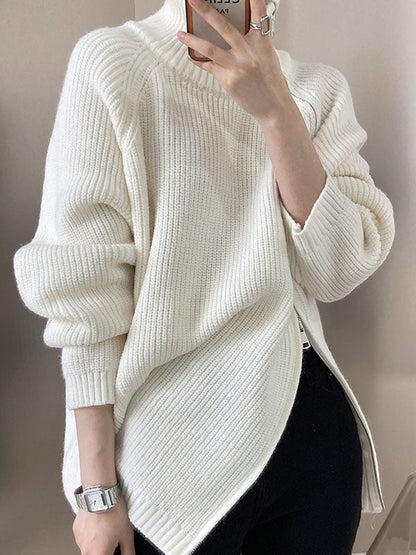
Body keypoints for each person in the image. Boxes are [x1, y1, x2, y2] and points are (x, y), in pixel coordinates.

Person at [13, 0, 395, 553]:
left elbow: (337, 271)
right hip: (168, 464)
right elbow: (83, 292)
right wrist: (97, 493)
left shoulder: (317, 90)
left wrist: (277, 113)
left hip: (312, 442)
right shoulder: (115, 64)